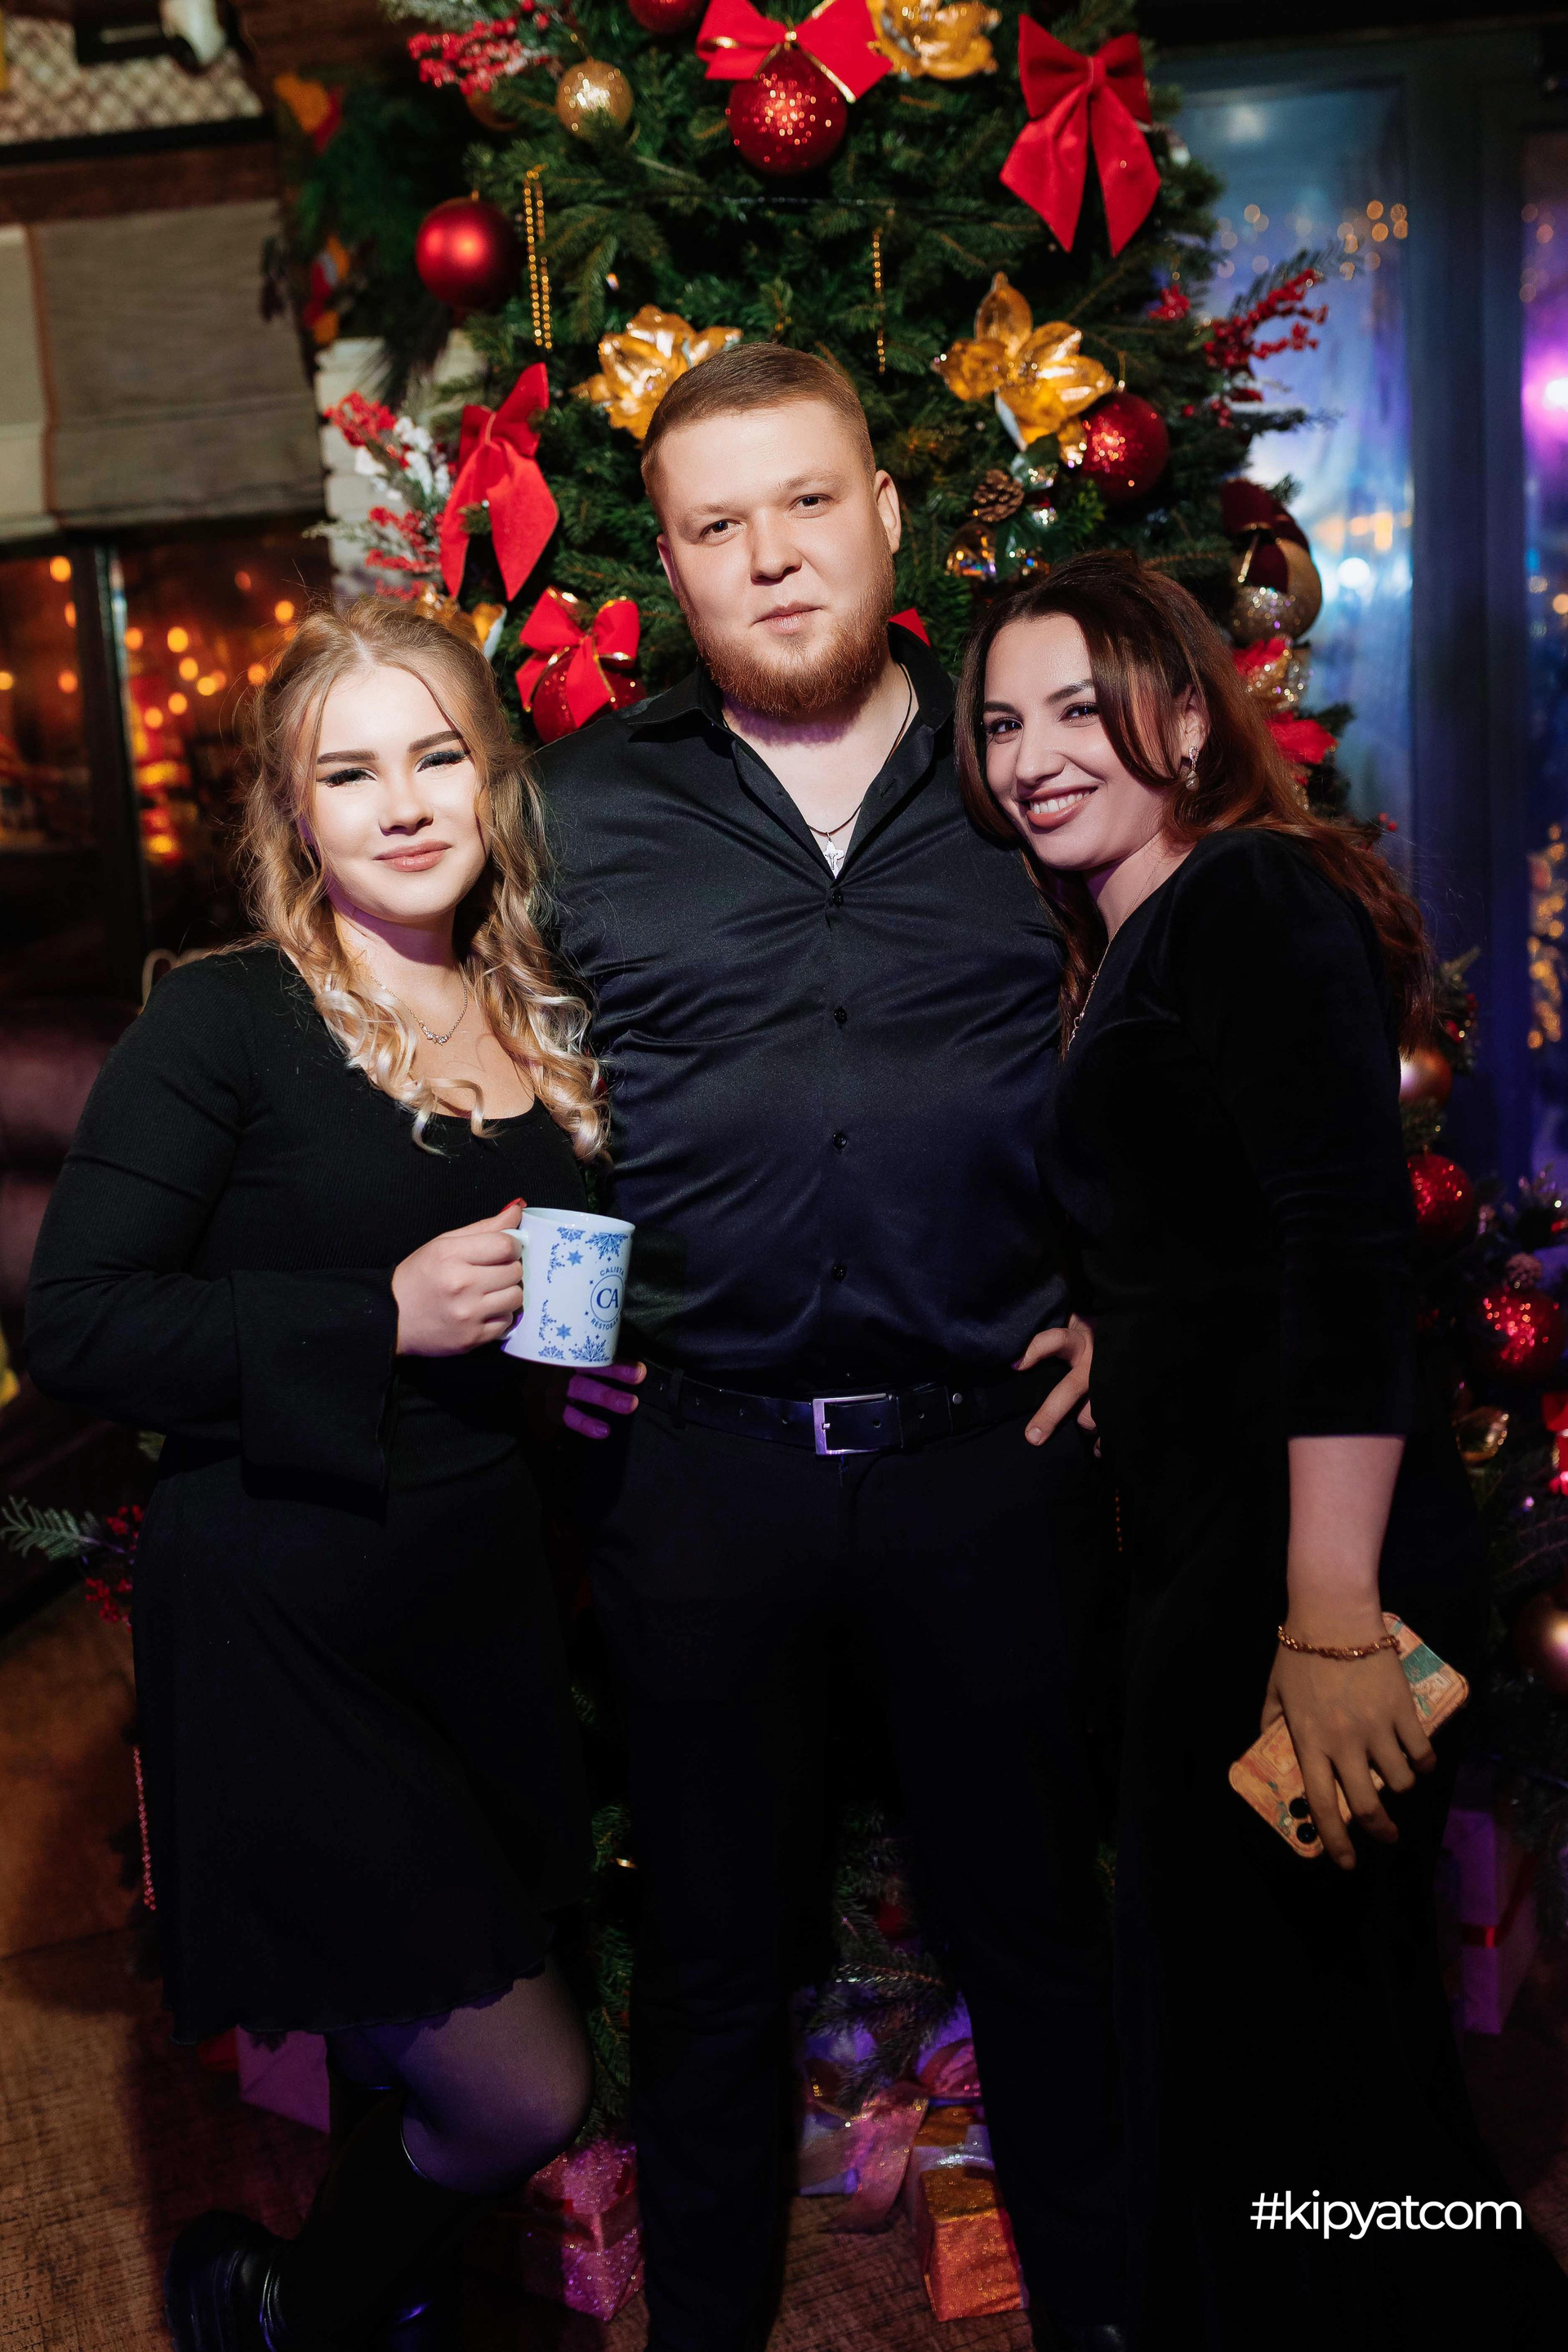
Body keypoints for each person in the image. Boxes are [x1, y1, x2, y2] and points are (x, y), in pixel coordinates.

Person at [538, 341, 1125, 2352]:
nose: (773, 556)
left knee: (1039, 1938)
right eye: (719, 525)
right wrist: (555, 1347)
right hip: (699, 1475)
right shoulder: (582, 810)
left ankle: (1108, 2313)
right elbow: (515, 1092)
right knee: (713, 1969)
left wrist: (1128, 1302)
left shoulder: (1022, 771)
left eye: (807, 503)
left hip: (993, 1461)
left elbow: (1165, 1040)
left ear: (886, 515)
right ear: (672, 566)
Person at [959, 550, 1568, 2350]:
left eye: (1080, 707)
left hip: (1298, 1579)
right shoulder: (1146, 928)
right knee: (1308, 2056)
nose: (1033, 756)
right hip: (1232, 1562)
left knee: (1294, 2067)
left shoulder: (1243, 897)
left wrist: (1329, 1618)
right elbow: (1220, 1224)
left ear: (1182, 710)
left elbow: (1343, 1248)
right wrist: (1122, 1328)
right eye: (1002, 723)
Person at [26, 599, 606, 2352]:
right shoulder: (228, 1020)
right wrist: (377, 1316)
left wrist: (592, 1382)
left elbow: (544, 1305)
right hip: (290, 1630)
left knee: (408, 2047)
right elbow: (79, 1323)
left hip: (480, 1616)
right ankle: (276, 2304)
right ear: (294, 811)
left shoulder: (542, 1006)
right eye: (350, 773)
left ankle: (343, 2313)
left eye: (438, 756)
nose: (404, 804)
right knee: (519, 2091)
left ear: (496, 777)